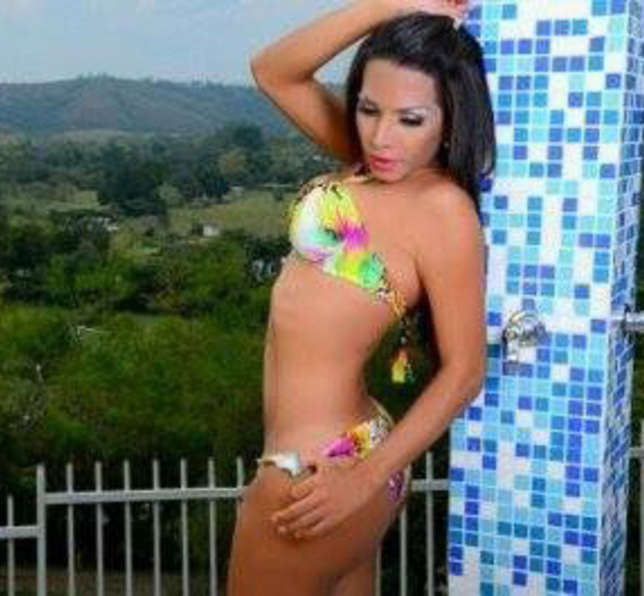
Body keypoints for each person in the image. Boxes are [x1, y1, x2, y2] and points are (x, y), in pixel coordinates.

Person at [227, 0, 494, 593]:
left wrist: (363, 479)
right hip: (342, 448)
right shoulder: (365, 162)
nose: (381, 136)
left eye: (411, 119)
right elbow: (274, 70)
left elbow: (465, 372)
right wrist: (388, 6)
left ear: (451, 118)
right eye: (369, 108)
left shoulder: (442, 210)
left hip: (322, 470)